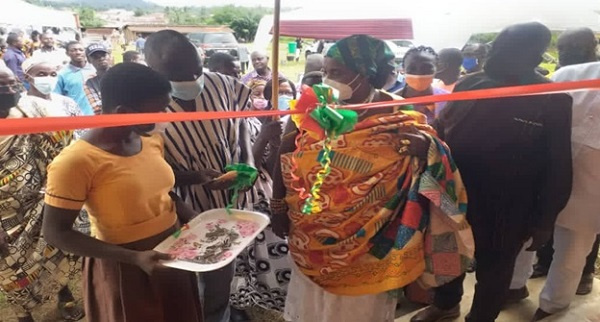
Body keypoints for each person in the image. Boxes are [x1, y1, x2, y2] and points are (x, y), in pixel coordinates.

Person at [270, 35, 469, 322]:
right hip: (309, 231)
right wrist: (278, 207)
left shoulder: (399, 114)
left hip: (372, 239)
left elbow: (433, 167)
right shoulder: (313, 105)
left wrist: (428, 151)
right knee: (312, 306)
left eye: (336, 72)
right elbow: (284, 152)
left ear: (365, 74)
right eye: (326, 71)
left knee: (361, 308)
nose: (327, 79)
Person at [411, 22, 573, 322]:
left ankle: (481, 318)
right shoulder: (469, 84)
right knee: (448, 253)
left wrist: (545, 221)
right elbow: (444, 129)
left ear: (536, 58)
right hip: (454, 191)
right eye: (495, 45)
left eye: (506, 49)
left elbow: (560, 166)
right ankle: (447, 305)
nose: (493, 54)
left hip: (509, 204)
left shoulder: (552, 100)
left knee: (495, 267)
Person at [41, 62, 203, 322]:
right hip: (124, 263)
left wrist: (192, 216)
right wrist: (133, 257)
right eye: (158, 109)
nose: (165, 115)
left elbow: (161, 191)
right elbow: (55, 232)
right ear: (124, 111)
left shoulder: (150, 140)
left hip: (171, 251)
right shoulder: (76, 162)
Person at [145, 29, 253, 322]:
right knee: (192, 274)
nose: (192, 81)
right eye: (180, 76)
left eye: (196, 71)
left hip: (232, 195)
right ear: (155, 71)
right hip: (184, 206)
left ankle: (222, 313)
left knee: (227, 269)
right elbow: (145, 171)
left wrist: (246, 161)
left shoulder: (223, 85)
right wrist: (192, 178)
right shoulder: (147, 105)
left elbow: (242, 125)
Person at [510, 27, 600, 306]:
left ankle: (552, 305)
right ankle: (514, 288)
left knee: (572, 250)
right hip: (547, 174)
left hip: (590, 184)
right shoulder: (566, 75)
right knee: (529, 237)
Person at [0, 66, 83, 322]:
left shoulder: (35, 111)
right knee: (11, 270)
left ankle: (66, 299)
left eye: (14, 84)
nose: (12, 91)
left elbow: (66, 145)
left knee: (59, 253)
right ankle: (24, 315)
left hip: (45, 201)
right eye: (4, 87)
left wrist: (58, 182)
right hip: (6, 217)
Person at [230, 79, 291, 319]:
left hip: (267, 192)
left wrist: (276, 143)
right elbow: (246, 171)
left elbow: (270, 164)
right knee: (245, 258)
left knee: (272, 254)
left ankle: (270, 297)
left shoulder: (265, 122)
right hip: (245, 196)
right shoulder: (234, 124)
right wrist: (263, 138)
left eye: (289, 92)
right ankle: (239, 304)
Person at [397, 46, 448, 124]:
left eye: (426, 69)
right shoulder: (392, 102)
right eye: (412, 69)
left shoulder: (448, 100)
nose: (419, 74)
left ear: (437, 69)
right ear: (403, 70)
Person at [55, 41, 95, 115]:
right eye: (73, 50)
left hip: (99, 116)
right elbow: (57, 98)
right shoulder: (62, 74)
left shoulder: (95, 69)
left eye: (81, 50)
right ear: (67, 53)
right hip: (76, 118)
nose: (78, 52)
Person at [83, 43, 111, 115]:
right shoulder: (89, 83)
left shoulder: (122, 73)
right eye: (96, 57)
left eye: (103, 55)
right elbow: (97, 109)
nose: (101, 58)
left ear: (109, 56)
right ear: (89, 60)